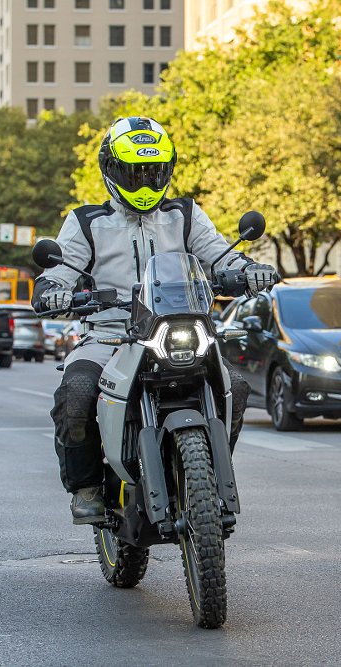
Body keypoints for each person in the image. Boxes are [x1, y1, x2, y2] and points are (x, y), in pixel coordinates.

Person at [31, 116, 279, 524]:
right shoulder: (87, 222)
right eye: (135, 172)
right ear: (112, 170)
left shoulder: (184, 215)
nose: (145, 181)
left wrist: (248, 270)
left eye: (154, 172)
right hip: (109, 337)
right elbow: (56, 273)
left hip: (180, 331)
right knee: (75, 395)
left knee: (234, 387)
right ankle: (87, 487)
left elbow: (220, 255)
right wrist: (52, 292)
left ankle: (208, 473)